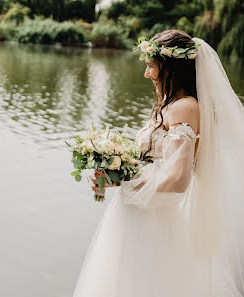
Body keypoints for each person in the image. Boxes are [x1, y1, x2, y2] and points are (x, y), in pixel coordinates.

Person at [73, 30, 244, 297]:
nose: (146, 74)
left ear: (170, 68)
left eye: (151, 67)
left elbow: (179, 179)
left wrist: (124, 180)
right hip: (135, 215)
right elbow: (155, 163)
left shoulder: (185, 107)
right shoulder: (169, 105)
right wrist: (113, 171)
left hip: (154, 224)